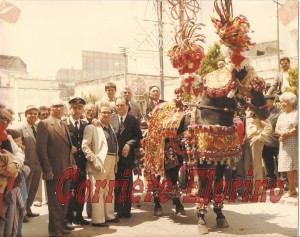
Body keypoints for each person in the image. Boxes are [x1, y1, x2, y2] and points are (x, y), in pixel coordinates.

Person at [36, 99, 74, 237]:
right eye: (55, 106)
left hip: (66, 169)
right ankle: (54, 230)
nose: (58, 108)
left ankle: (61, 226)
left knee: (64, 200)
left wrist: (72, 164)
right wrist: (47, 170)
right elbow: (41, 150)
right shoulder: (44, 124)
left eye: (61, 106)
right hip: (54, 170)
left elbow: (69, 148)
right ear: (50, 108)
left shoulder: (63, 124)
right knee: (55, 202)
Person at [82, 103, 119, 227]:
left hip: (112, 159)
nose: (106, 114)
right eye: (104, 112)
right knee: (98, 190)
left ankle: (109, 215)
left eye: (109, 112)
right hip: (100, 162)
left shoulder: (111, 128)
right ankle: (98, 219)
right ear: (99, 114)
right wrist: (94, 160)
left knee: (110, 189)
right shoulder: (92, 127)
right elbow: (85, 146)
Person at [110, 97, 142, 218]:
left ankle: (125, 210)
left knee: (127, 183)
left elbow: (138, 136)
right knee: (116, 183)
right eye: (117, 105)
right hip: (113, 157)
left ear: (127, 106)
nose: (120, 107)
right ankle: (116, 208)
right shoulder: (111, 118)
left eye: (122, 105)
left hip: (127, 157)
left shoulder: (132, 119)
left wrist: (129, 144)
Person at [64, 97, 89, 227]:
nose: (77, 110)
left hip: (82, 163)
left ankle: (79, 216)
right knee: (69, 190)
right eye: (74, 108)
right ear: (69, 109)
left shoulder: (85, 124)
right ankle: (68, 218)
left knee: (81, 189)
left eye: (79, 108)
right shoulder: (64, 124)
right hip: (69, 163)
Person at [0, 105, 25, 237]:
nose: (5, 122)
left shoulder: (8, 137)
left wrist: (14, 164)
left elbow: (20, 153)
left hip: (9, 188)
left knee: (8, 226)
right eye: (2, 117)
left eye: (8, 120)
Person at [16, 105, 41, 221]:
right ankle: (22, 212)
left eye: (35, 113)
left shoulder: (38, 127)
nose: (33, 115)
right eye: (30, 113)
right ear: (25, 115)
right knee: (24, 189)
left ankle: (28, 208)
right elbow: (17, 147)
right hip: (26, 165)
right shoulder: (20, 128)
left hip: (37, 165)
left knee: (33, 189)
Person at [275, 92, 298, 198]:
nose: (283, 104)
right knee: (288, 167)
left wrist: (286, 134)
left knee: (296, 166)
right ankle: (292, 189)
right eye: (282, 101)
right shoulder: (281, 115)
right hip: (284, 144)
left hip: (294, 142)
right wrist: (282, 134)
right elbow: (276, 129)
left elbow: (297, 128)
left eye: (286, 101)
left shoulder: (296, 113)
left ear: (292, 102)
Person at [244, 108, 272, 194]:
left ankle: (257, 189)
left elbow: (268, 127)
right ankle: (249, 189)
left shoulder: (259, 111)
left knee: (256, 165)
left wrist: (260, 137)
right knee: (247, 165)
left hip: (256, 140)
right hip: (247, 140)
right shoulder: (245, 111)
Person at [262, 94, 282, 189]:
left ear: (272, 100)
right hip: (265, 142)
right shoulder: (262, 112)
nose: (265, 102)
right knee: (268, 164)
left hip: (277, 141)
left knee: (280, 163)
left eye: (267, 100)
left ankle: (283, 182)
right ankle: (271, 182)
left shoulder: (279, 112)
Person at [34, 105, 50, 208]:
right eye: (43, 114)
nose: (45, 116)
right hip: (38, 155)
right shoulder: (35, 126)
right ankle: (37, 199)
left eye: (47, 114)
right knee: (38, 178)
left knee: (48, 176)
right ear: (39, 116)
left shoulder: (50, 124)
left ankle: (49, 198)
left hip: (49, 154)